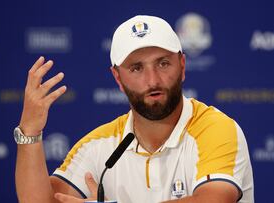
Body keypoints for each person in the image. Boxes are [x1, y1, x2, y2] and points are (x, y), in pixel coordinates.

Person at [14, 15, 254, 203]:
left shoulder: (216, 129)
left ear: (182, 65)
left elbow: (212, 200)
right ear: (118, 78)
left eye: (163, 63)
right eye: (137, 68)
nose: (153, 80)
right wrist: (30, 133)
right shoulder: (98, 146)